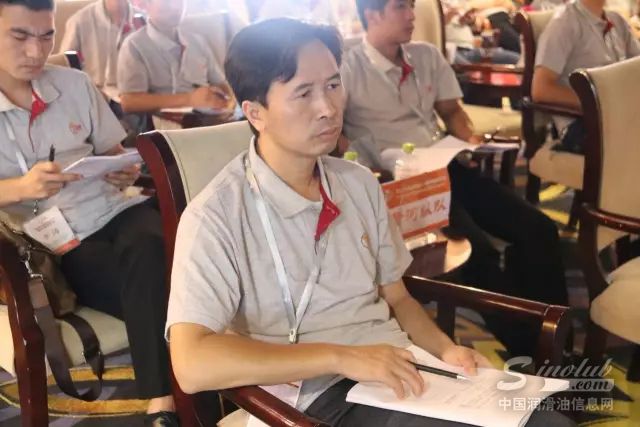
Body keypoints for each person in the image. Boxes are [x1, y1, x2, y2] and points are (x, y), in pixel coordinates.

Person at [167, 17, 575, 427]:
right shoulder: (217, 215)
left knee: (547, 422)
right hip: (315, 397)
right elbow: (191, 363)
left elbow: (398, 299)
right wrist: (340, 356)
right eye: (303, 93)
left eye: (333, 85)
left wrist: (446, 351)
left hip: (400, 370)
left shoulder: (357, 183)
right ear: (255, 113)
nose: (328, 108)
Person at [341, 0, 568, 357]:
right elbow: (338, 134)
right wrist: (363, 167)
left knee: (538, 228)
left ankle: (554, 336)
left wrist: (469, 140)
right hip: (401, 182)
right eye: (400, 7)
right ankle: (530, 348)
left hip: (446, 164)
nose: (412, 15)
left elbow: (452, 112)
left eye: (412, 6)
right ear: (371, 14)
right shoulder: (348, 67)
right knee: (477, 251)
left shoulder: (426, 56)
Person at [0, 1, 176, 425]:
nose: (36, 51)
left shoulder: (74, 84)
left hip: (117, 209)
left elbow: (115, 153)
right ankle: (188, 392)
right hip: (55, 245)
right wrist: (20, 188)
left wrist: (122, 168)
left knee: (152, 243)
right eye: (19, 36)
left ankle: (165, 404)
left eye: (46, 36)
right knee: (165, 275)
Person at [532, 0, 640, 153]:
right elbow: (541, 90)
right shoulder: (565, 23)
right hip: (584, 124)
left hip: (620, 118)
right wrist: (598, 104)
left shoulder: (617, 21)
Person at [117, 0, 234, 114]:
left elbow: (220, 83)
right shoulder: (135, 45)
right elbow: (129, 101)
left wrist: (230, 102)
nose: (176, 6)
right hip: (169, 120)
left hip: (212, 115)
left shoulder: (197, 41)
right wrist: (189, 99)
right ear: (146, 4)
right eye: (167, 1)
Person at [59, 0, 142, 88]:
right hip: (93, 90)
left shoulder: (143, 20)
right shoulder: (79, 21)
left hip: (135, 92)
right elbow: (64, 66)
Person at [442, 0, 519, 65]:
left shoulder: (459, 3)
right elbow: (436, 29)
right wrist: (448, 17)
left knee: (516, 59)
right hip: (453, 51)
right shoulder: (437, 5)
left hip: (471, 49)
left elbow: (476, 27)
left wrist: (469, 20)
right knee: (469, 73)